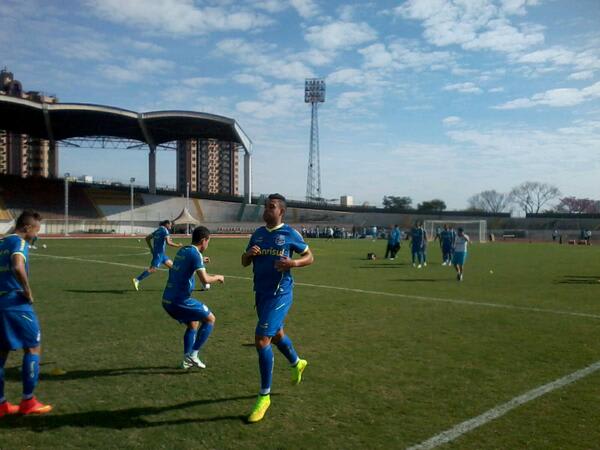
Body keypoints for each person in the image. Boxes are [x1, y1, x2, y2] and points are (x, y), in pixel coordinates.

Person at [241, 194, 314, 423]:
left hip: (280, 293)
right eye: (266, 206)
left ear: (281, 211)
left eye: (271, 207)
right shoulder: (259, 234)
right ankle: (297, 362)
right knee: (277, 334)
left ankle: (264, 397)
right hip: (261, 293)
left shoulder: (290, 234)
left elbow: (310, 257)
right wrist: (248, 254)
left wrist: (293, 263)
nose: (266, 210)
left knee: (262, 339)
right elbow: (244, 262)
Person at [0, 210, 52, 417]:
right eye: (36, 230)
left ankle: (1, 404)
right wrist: (27, 291)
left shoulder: (2, 242)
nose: (36, 235)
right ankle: (28, 401)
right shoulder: (19, 243)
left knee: (1, 353)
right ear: (27, 228)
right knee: (32, 348)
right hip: (15, 302)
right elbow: (17, 266)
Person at [162, 226, 224, 369]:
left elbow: (186, 264)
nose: (208, 245)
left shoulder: (184, 250)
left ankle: (186, 361)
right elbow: (205, 280)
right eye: (208, 241)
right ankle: (193, 354)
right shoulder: (195, 254)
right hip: (179, 300)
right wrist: (218, 277)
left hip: (167, 299)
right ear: (203, 240)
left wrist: (201, 260)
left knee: (193, 324)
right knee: (210, 319)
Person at [132, 220, 182, 290]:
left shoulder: (158, 230)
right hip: (159, 254)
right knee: (153, 269)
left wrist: (151, 248)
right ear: (166, 224)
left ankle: (173, 284)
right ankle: (137, 279)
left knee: (173, 268)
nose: (171, 226)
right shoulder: (165, 231)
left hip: (161, 254)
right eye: (170, 225)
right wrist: (178, 245)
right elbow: (168, 243)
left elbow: (147, 238)